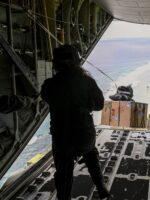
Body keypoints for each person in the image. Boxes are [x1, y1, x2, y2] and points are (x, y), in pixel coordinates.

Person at [41, 45, 110, 200]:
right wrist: (85, 104)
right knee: (91, 152)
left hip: (62, 138)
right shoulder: (87, 81)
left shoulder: (49, 85)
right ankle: (101, 187)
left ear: (56, 64)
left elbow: (47, 97)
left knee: (63, 173)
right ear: (77, 61)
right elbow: (99, 104)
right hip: (84, 136)